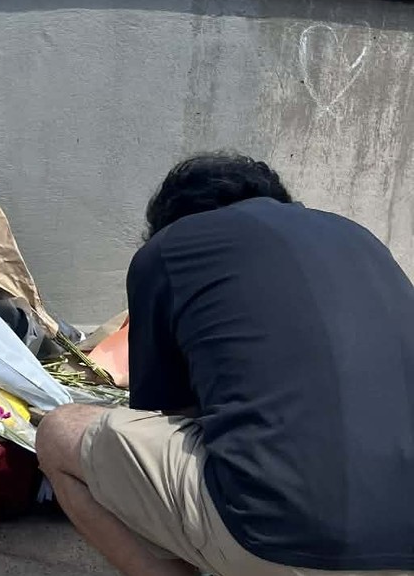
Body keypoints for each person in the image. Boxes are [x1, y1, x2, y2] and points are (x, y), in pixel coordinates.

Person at [36, 152, 414, 576]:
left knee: (57, 432)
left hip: (288, 541)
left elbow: (167, 416)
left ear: (170, 221)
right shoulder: (361, 239)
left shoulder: (169, 250)